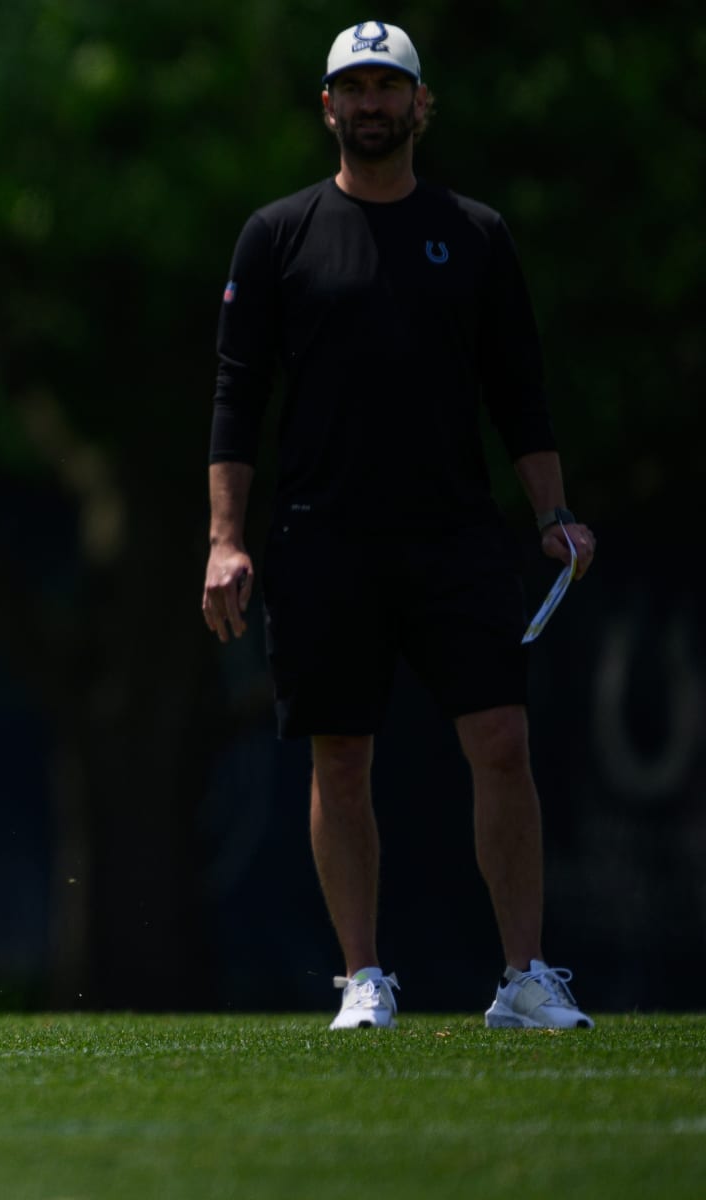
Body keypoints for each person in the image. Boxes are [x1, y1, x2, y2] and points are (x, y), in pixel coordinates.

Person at [200, 23, 596, 1031]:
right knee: (342, 754)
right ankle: (363, 980)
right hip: (325, 533)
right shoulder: (277, 235)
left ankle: (523, 979)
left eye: (389, 88)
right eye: (353, 89)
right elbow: (237, 399)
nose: (371, 104)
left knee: (502, 741)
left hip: (456, 533)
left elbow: (521, 392)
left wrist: (552, 514)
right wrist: (225, 539)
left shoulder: (475, 233)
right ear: (326, 107)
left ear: (422, 105)